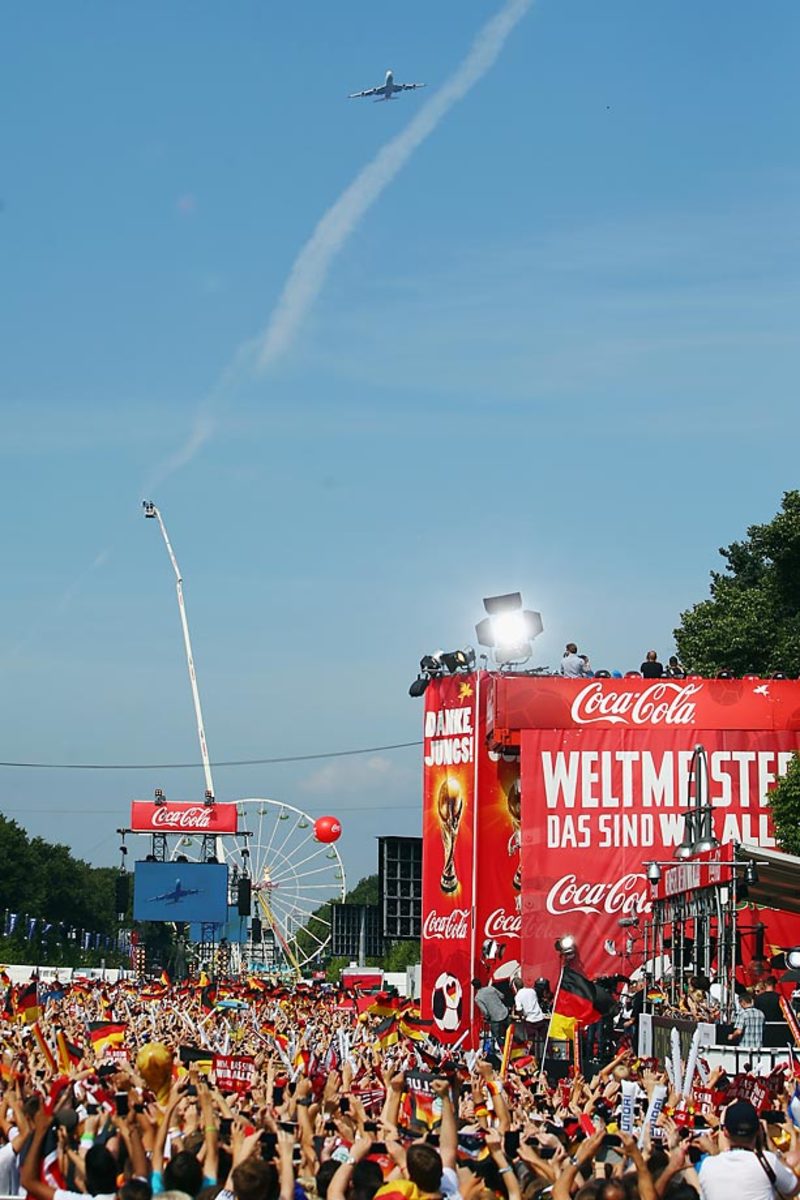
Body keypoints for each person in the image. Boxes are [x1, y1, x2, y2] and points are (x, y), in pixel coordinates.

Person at [696, 1098, 800, 1200]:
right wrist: (773, 1150)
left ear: (726, 1132)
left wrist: (721, 1123)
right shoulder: (768, 1162)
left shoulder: (708, 1166)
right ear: (758, 1130)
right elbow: (793, 1188)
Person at [471, 977, 509, 1046]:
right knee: (510, 1032)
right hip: (504, 1013)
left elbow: (485, 1011)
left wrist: (487, 1017)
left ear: (474, 987)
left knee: (497, 1038)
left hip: (495, 1018)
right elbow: (502, 996)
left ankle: (503, 1050)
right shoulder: (491, 988)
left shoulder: (478, 998)